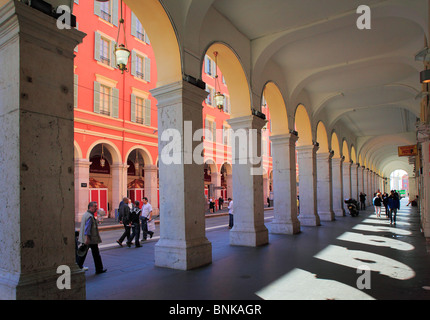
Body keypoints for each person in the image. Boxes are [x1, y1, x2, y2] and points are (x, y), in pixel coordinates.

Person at [77, 201, 106, 274]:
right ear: (90, 207)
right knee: (96, 254)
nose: (96, 208)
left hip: (88, 239)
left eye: (96, 206)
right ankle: (99, 269)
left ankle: (79, 266)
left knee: (84, 253)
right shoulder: (89, 216)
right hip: (90, 239)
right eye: (95, 206)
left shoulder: (86, 214)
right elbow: (87, 229)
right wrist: (87, 238)